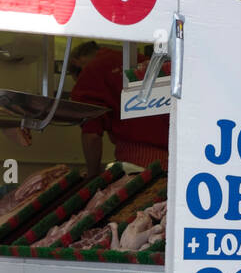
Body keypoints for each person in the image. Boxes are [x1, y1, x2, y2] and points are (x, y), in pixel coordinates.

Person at [68, 41, 170, 175]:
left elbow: (91, 135)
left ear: (76, 63)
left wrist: (92, 175)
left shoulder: (91, 73)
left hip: (137, 160)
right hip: (171, 157)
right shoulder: (136, 58)